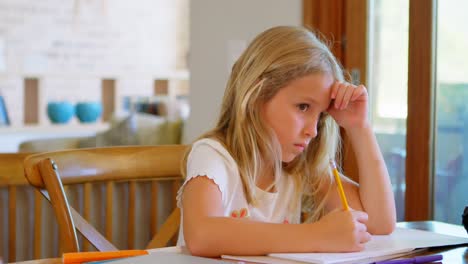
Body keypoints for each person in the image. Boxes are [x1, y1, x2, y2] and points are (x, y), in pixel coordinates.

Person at [176, 25, 396, 257]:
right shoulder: (213, 155)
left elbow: (379, 224)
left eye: (320, 115)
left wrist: (359, 127)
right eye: (303, 107)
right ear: (257, 94)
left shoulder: (300, 168)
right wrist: (318, 235)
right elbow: (201, 236)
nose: (313, 130)